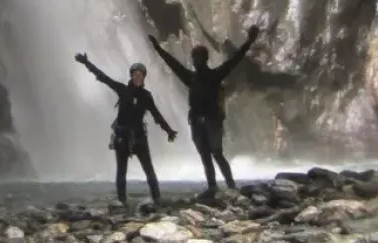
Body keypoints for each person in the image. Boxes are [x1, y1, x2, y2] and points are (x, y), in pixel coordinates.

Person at [148, 26, 260, 196]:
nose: (195, 60)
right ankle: (214, 187)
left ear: (204, 59)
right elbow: (173, 64)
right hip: (197, 122)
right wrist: (157, 49)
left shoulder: (214, 75)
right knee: (207, 156)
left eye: (197, 57)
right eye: (194, 57)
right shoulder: (191, 77)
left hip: (211, 120)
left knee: (216, 153)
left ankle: (229, 186)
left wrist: (249, 43)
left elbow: (235, 60)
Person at [74, 53, 178, 205]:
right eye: (135, 74)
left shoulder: (146, 96)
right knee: (121, 171)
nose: (138, 77)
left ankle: (157, 198)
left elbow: (156, 115)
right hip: (122, 136)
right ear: (131, 76)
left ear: (143, 78)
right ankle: (122, 200)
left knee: (148, 168)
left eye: (141, 75)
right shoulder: (122, 89)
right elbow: (103, 77)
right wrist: (86, 63)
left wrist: (168, 130)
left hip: (139, 136)